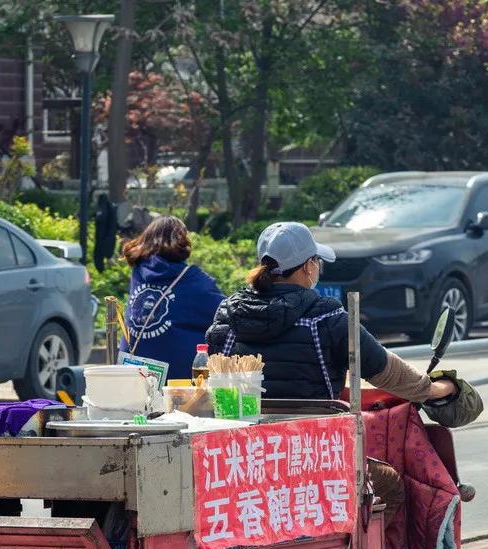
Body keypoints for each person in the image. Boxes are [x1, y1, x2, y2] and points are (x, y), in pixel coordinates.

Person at [206, 221, 459, 520]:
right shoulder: (326, 316)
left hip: (245, 457)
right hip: (312, 456)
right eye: (317, 261)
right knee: (388, 484)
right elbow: (386, 371)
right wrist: (435, 389)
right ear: (307, 267)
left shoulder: (228, 312)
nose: (318, 268)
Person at [122, 216, 225, 380]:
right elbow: (226, 312)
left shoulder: (138, 272)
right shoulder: (192, 280)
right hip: (177, 381)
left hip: (133, 374)